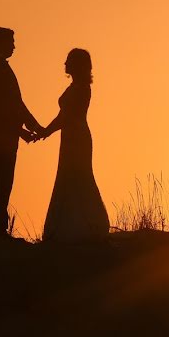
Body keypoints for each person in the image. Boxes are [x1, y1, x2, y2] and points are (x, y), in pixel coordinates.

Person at [0, 27, 43, 236]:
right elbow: (2, 108)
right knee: (3, 181)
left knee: (5, 181)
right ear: (1, 43)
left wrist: (33, 126)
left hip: (5, 133)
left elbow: (15, 105)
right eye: (11, 41)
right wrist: (24, 130)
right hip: (0, 134)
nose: (14, 46)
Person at [39, 48, 110, 242]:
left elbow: (67, 117)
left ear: (78, 65)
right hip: (70, 137)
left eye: (69, 60)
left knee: (80, 177)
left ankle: (91, 224)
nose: (65, 63)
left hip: (77, 138)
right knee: (67, 176)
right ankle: (71, 226)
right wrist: (46, 130)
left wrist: (45, 131)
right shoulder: (76, 86)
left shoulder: (81, 88)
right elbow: (63, 117)